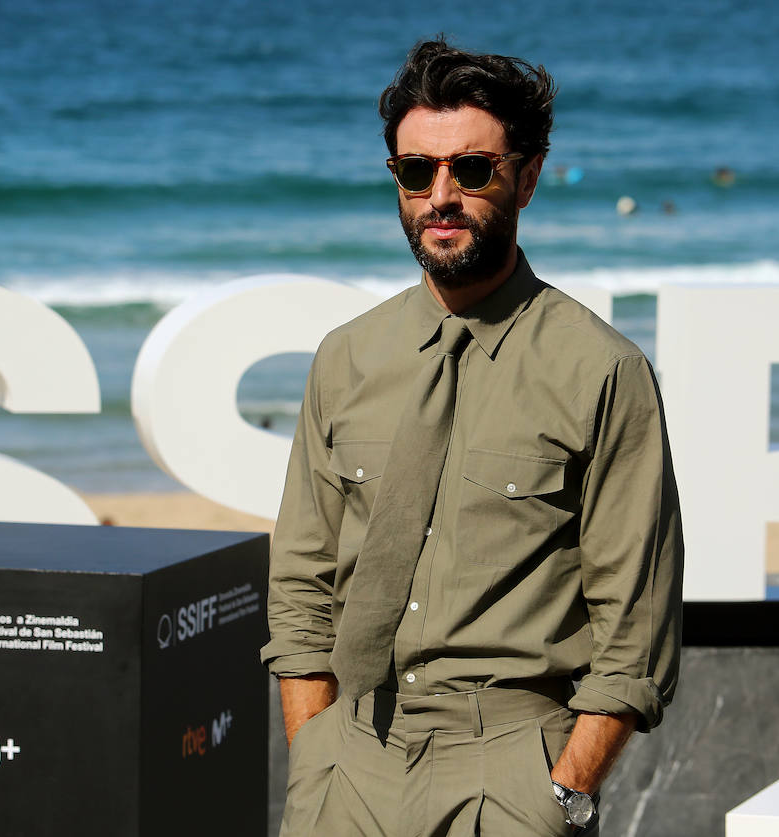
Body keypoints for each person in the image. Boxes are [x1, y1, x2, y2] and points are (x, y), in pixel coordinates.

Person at [262, 38, 684, 836]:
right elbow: (302, 587)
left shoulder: (602, 371)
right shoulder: (346, 358)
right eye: (416, 172)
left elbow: (636, 629)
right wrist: (314, 755)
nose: (440, 195)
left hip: (514, 773)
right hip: (347, 767)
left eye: (473, 169)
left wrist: (563, 794)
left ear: (526, 176)